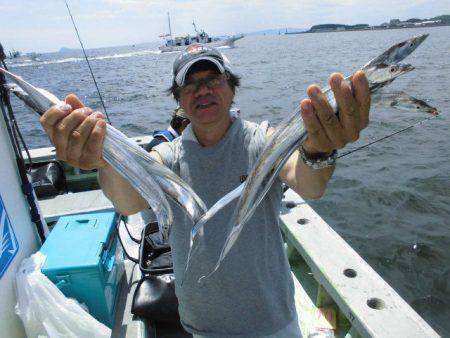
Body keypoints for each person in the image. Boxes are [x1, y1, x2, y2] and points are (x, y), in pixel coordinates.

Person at [40, 43, 370, 337]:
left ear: (231, 88)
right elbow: (128, 200)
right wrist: (105, 161)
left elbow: (310, 184)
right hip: (203, 324)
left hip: (272, 320)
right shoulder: (168, 157)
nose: (203, 90)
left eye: (213, 79)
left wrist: (319, 150)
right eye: (191, 84)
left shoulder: (262, 141)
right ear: (180, 100)